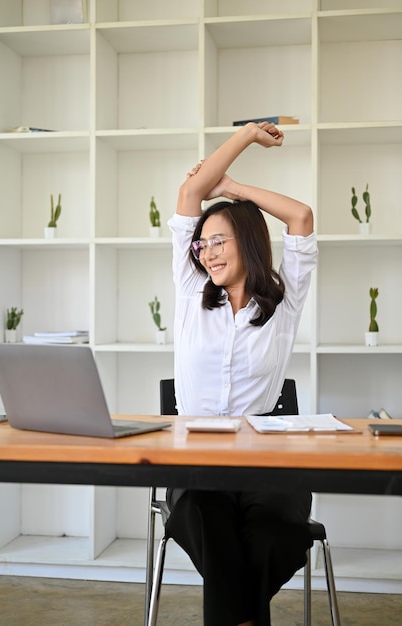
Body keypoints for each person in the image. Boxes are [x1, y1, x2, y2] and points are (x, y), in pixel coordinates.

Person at [165, 122, 318, 626]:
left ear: (247, 240)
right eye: (200, 245)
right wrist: (248, 134)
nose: (206, 252)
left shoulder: (284, 300)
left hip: (267, 456)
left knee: (276, 532)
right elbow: (190, 191)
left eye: (218, 241)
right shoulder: (191, 292)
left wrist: (231, 188)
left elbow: (299, 215)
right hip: (196, 457)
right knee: (206, 519)